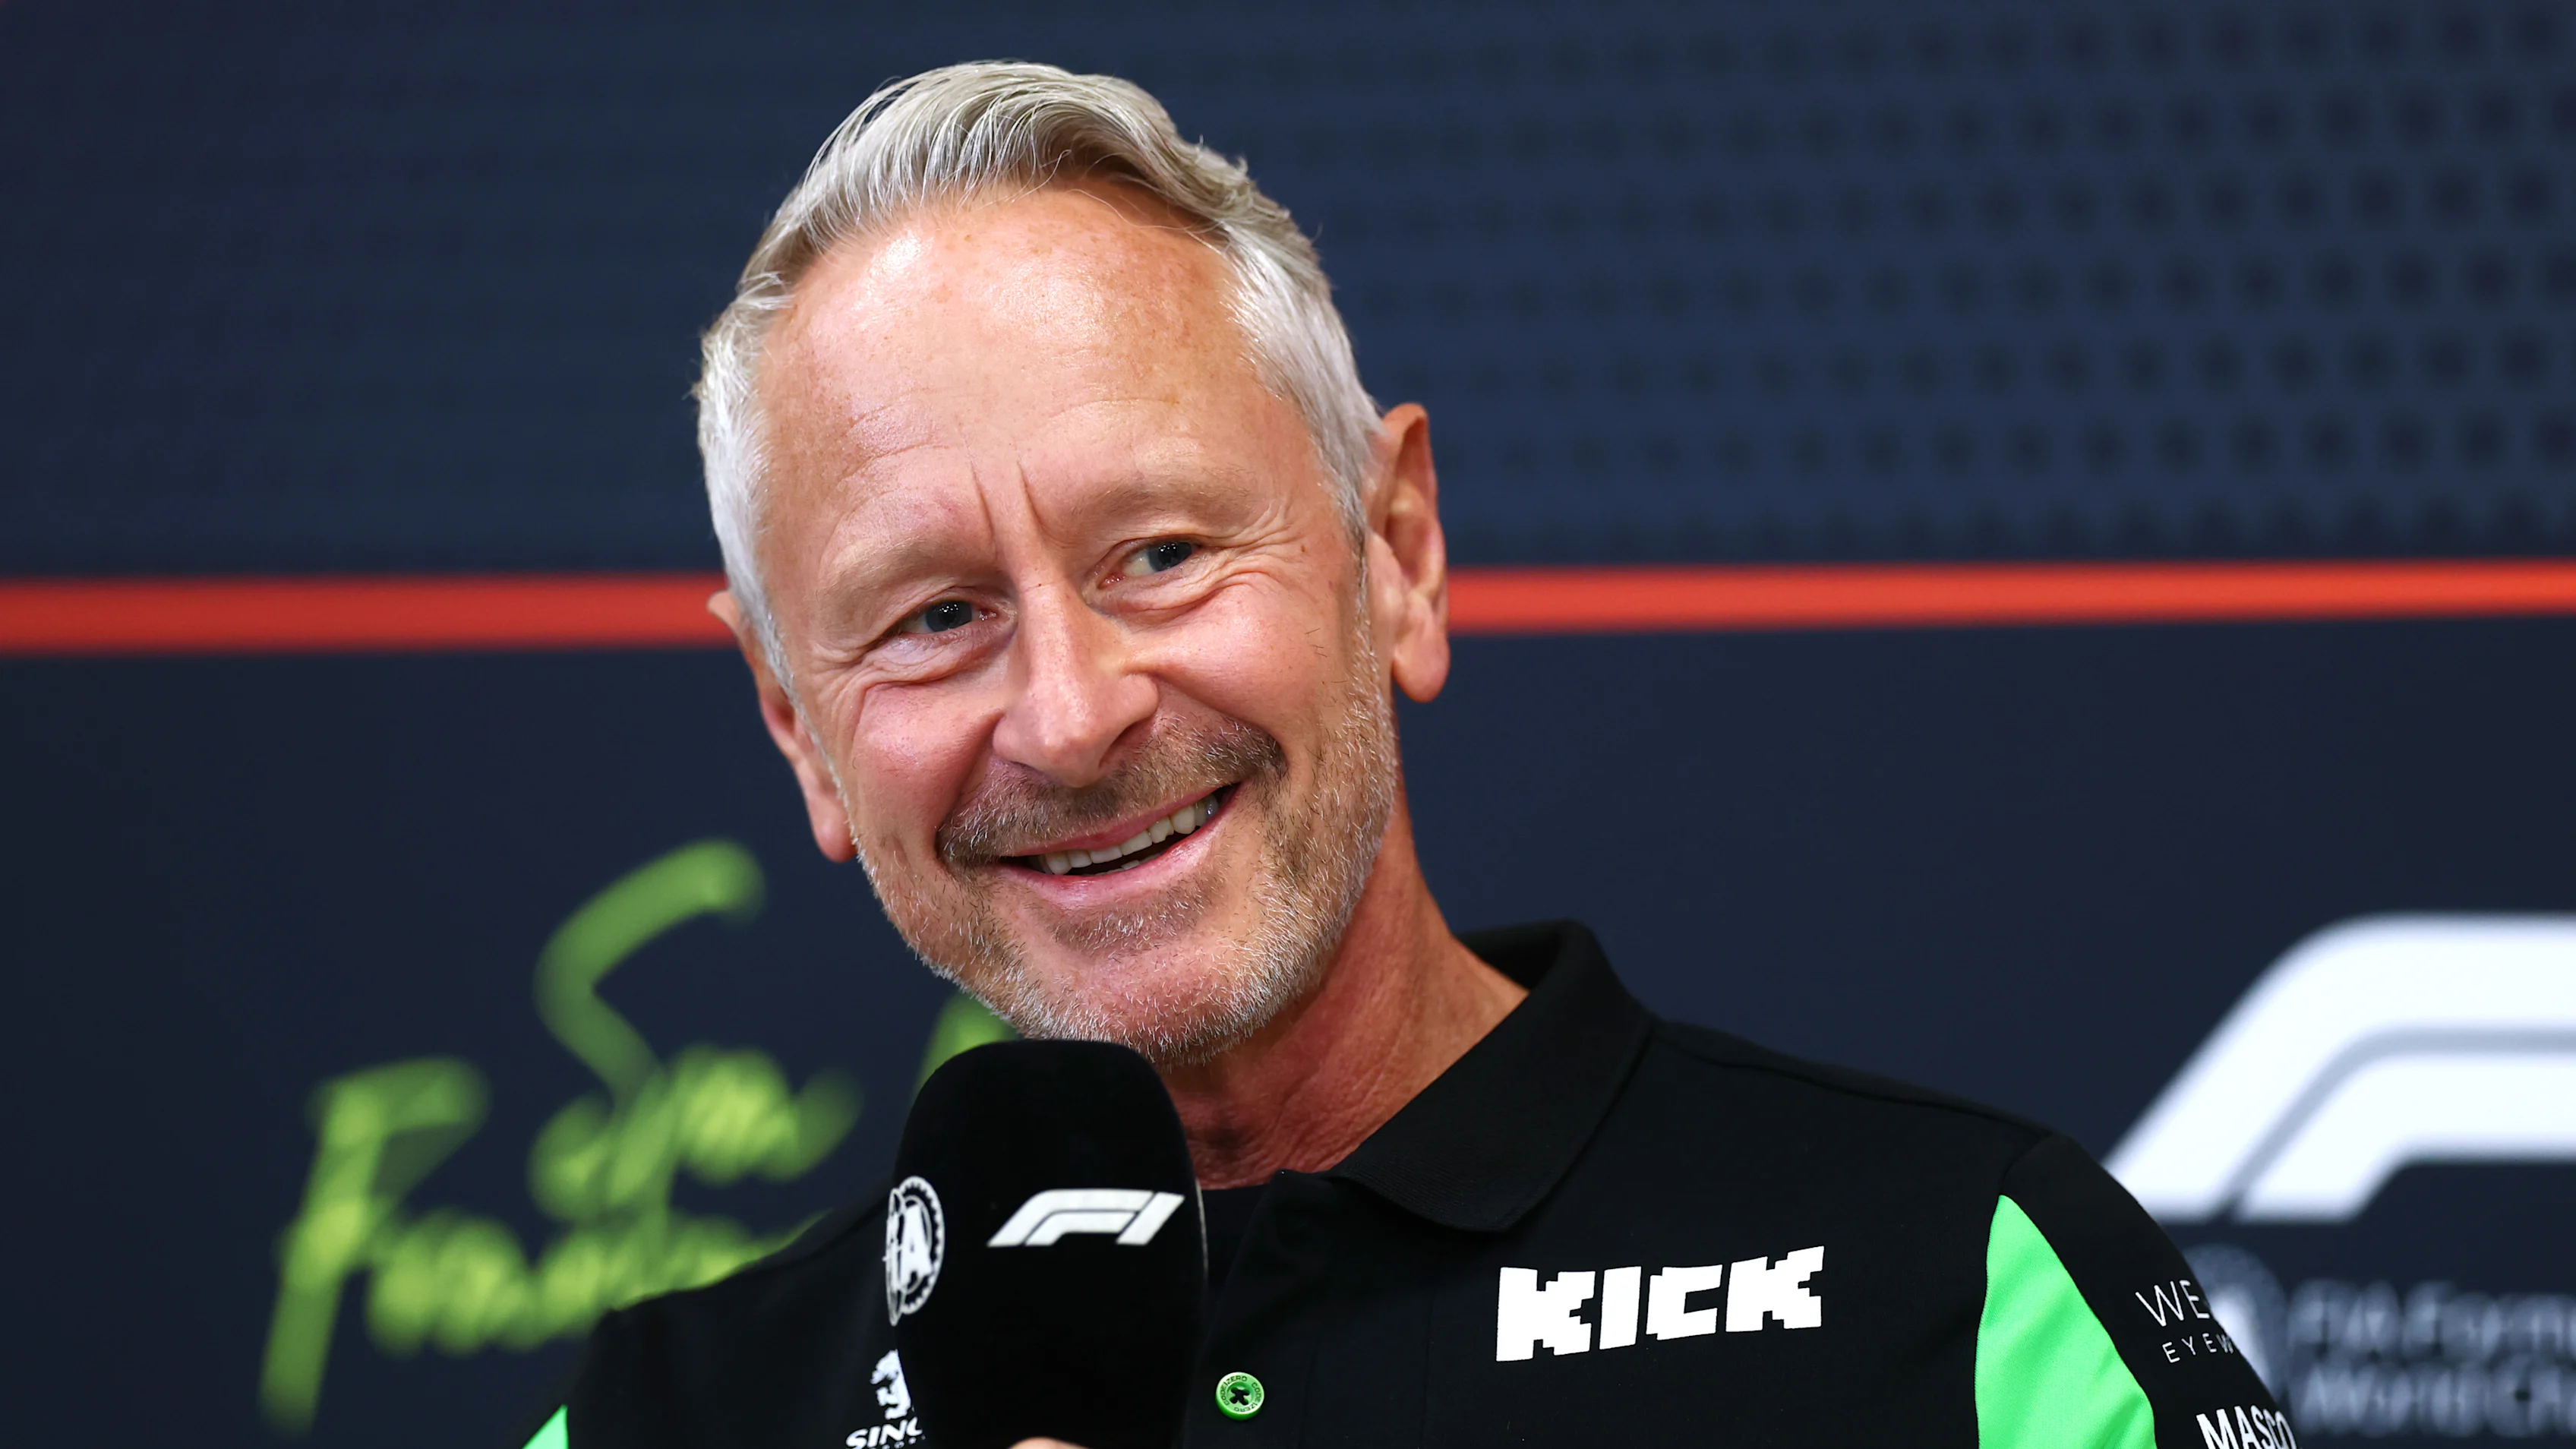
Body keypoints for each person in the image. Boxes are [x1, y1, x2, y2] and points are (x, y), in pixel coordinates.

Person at [530, 62, 2287, 1449]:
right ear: (796, 729)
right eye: (932, 618)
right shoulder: (654, 1418)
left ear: (1397, 553)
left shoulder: (1963, 1287)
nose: (1069, 717)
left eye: (1159, 555)